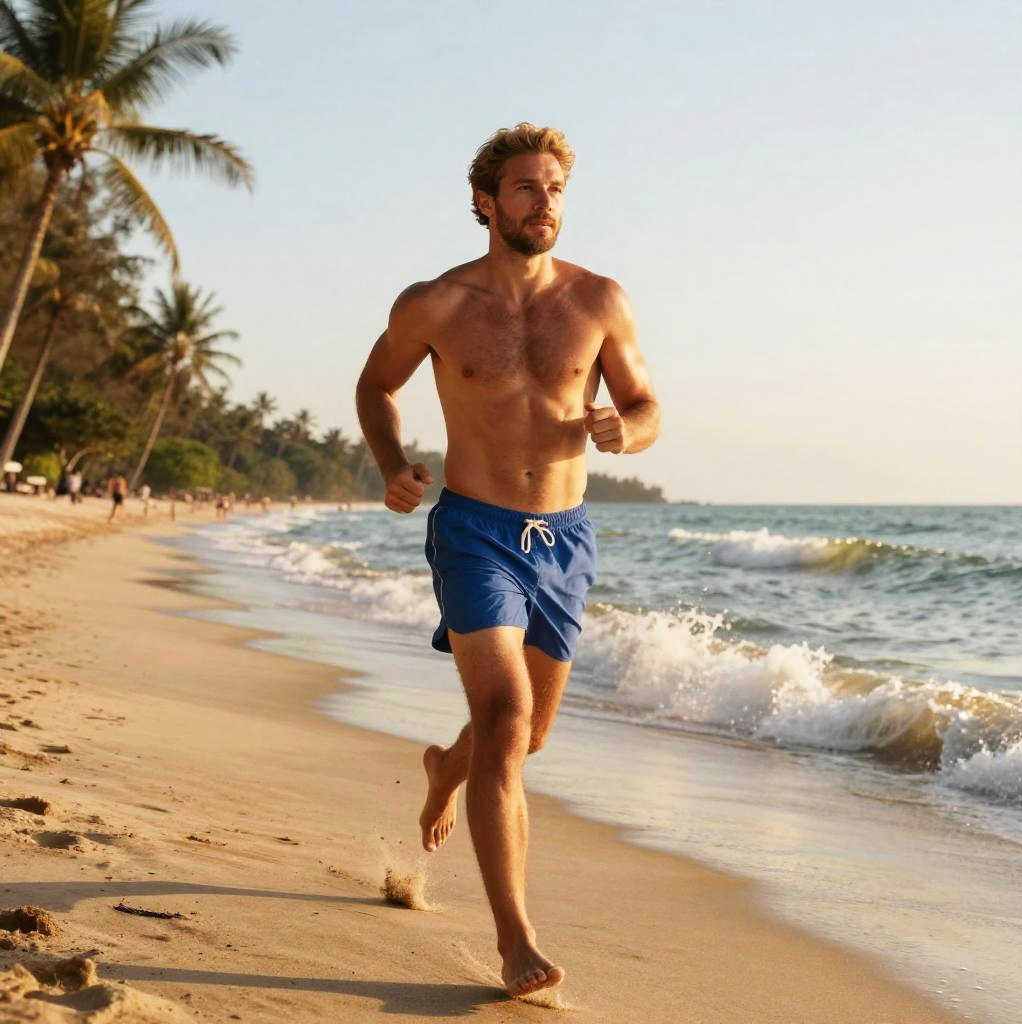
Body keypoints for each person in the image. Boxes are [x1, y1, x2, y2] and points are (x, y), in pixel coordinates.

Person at [356, 123, 659, 998]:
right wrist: (392, 466)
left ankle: (443, 770)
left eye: (556, 188)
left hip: (565, 538)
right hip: (475, 530)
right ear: (486, 202)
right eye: (526, 188)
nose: (545, 202)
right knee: (503, 717)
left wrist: (624, 431)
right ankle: (516, 938)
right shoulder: (436, 304)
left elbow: (645, 404)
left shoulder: (600, 300)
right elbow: (376, 385)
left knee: (524, 737)